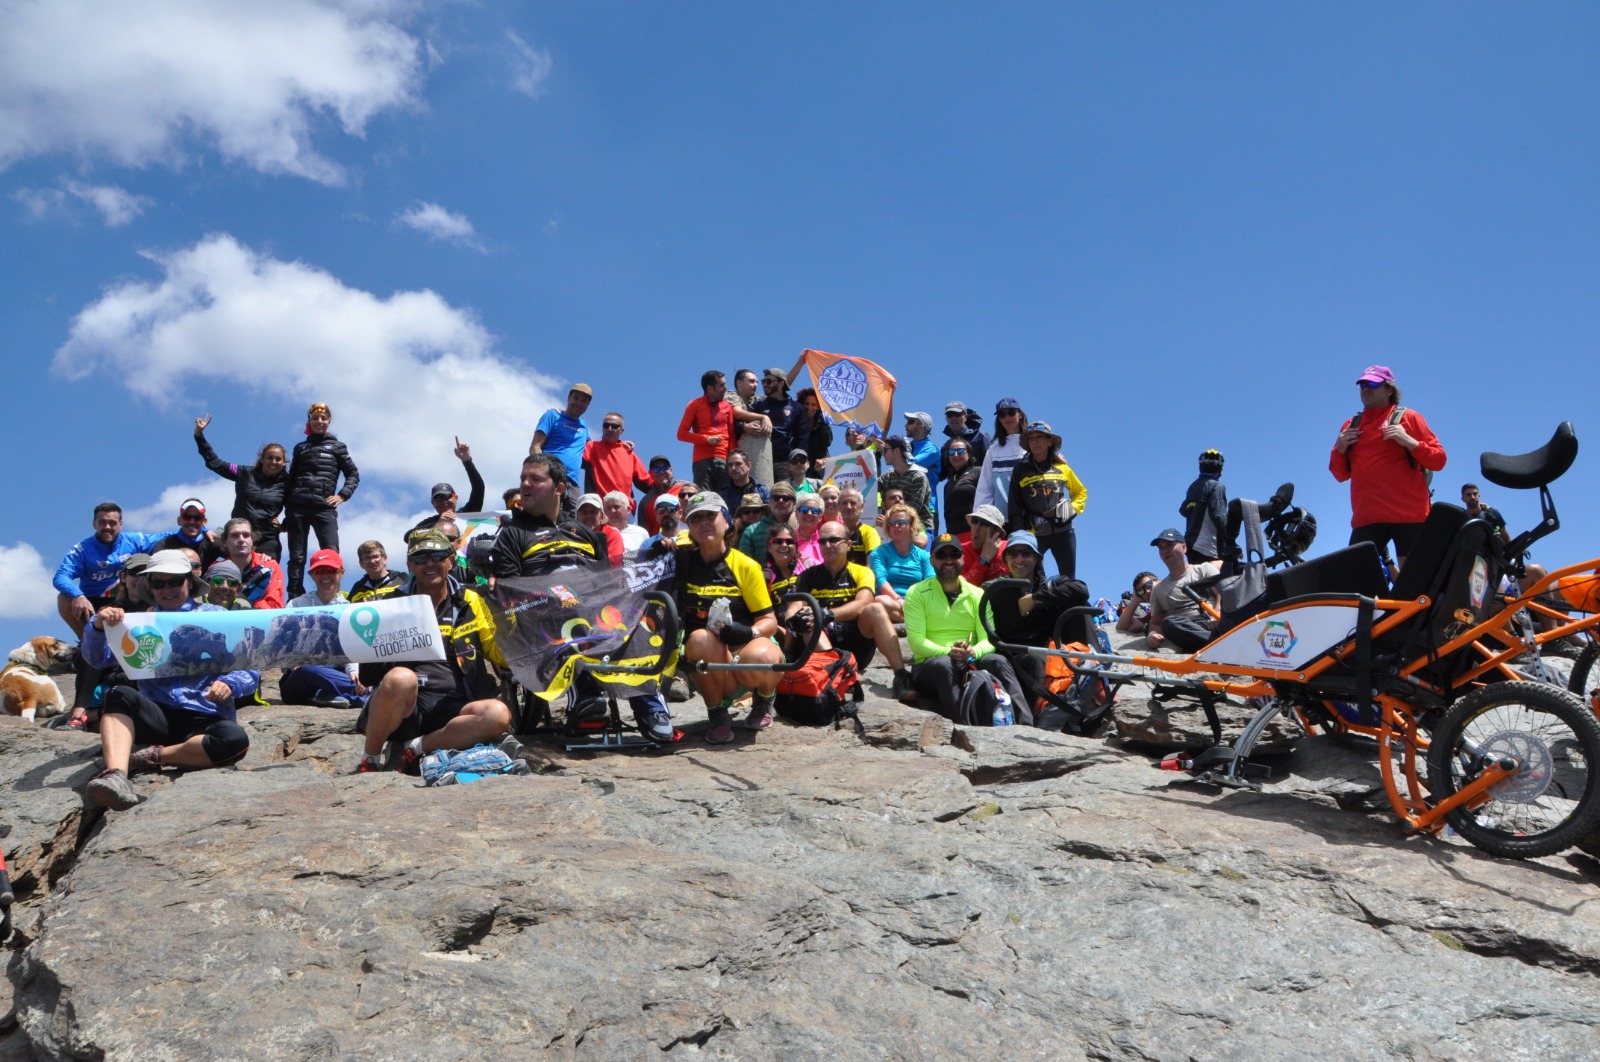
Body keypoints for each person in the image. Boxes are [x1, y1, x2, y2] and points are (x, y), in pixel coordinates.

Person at [489, 454, 675, 742]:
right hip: (544, 612)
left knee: (638, 607)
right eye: (523, 479)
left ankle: (649, 704)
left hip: (595, 604)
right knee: (570, 607)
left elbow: (606, 576)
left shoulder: (585, 533)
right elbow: (511, 589)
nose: (525, 484)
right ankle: (586, 697)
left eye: (535, 479)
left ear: (559, 488)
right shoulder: (513, 533)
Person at [79, 550, 258, 809]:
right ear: (150, 587)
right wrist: (97, 627)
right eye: (159, 583)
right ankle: (117, 775)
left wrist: (231, 684)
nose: (167, 589)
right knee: (119, 694)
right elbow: (97, 660)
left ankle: (152, 757)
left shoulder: (216, 616)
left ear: (190, 581)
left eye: (174, 581)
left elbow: (249, 665)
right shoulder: (136, 622)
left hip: (206, 716)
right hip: (157, 715)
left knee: (235, 741)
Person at [355, 531, 513, 773]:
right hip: (404, 708)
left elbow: (496, 650)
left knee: (498, 714)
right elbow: (368, 675)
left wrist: (513, 618)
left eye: (438, 556)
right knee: (400, 678)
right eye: (420, 558)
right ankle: (371, 757)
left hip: (455, 709)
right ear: (409, 565)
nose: (430, 564)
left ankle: (415, 747)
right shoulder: (388, 603)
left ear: (450, 560)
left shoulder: (471, 599)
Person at [675, 493, 785, 743]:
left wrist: (748, 633)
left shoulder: (745, 565)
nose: (703, 522)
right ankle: (717, 713)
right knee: (700, 638)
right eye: (696, 518)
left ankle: (764, 698)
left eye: (710, 515)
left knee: (763, 655)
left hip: (745, 654)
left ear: (726, 522)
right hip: (709, 661)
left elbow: (769, 620)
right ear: (689, 528)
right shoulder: (681, 563)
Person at [54, 502, 172, 728]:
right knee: (87, 638)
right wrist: (77, 594)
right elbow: (60, 577)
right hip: (104, 640)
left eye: (144, 573)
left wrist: (205, 531)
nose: (107, 526)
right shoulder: (83, 549)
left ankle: (93, 715)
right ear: (123, 577)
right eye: (102, 522)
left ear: (121, 524)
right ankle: (79, 711)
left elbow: (171, 534)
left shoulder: (158, 602)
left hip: (141, 666)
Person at [903, 533, 1029, 721]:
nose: (948, 560)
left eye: (954, 554)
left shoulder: (978, 594)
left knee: (998, 661)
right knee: (944, 665)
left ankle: (1025, 723)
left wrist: (973, 652)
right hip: (930, 667)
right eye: (941, 555)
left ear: (962, 558)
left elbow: (989, 640)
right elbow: (917, 642)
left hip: (971, 662)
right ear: (931, 560)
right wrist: (948, 652)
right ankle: (965, 726)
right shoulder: (917, 592)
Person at [1329, 365, 1446, 566]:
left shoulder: (1408, 418)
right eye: (1362, 384)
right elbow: (1340, 475)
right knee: (1355, 579)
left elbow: (1438, 460)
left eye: (1373, 384)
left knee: (1414, 584)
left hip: (1410, 516)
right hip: (1367, 518)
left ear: (1389, 390)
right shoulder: (1351, 425)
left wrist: (1409, 441)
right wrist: (1339, 449)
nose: (1366, 389)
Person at [795, 521, 913, 699]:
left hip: (856, 643)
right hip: (821, 643)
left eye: (834, 539)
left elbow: (863, 603)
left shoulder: (862, 572)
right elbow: (796, 607)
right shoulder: (807, 576)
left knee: (875, 609)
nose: (827, 545)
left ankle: (901, 677)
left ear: (848, 544)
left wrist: (827, 614)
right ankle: (839, 672)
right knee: (804, 620)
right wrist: (795, 617)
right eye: (823, 540)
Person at [992, 531, 1092, 713]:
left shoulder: (1049, 585)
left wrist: (1036, 598)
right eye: (1013, 554)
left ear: (1036, 558)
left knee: (1079, 606)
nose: (1019, 559)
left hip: (1051, 648)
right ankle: (1043, 714)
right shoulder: (996, 590)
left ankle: (1092, 670)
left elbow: (1081, 590)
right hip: (1016, 655)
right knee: (1036, 659)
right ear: (1006, 559)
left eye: (1026, 553)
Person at [284, 401, 359, 598]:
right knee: (296, 556)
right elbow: (291, 479)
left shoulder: (337, 446)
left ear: (329, 421)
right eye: (315, 418)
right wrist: (283, 517)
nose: (319, 421)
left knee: (331, 552)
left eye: (323, 418)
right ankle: (294, 596)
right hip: (297, 506)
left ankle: (334, 595)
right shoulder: (300, 447)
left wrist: (343, 495)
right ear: (309, 420)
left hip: (324, 507)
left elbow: (353, 473)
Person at [279, 550, 369, 709]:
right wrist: (293, 662)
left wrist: (355, 672)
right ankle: (365, 697)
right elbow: (284, 641)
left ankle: (329, 694)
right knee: (308, 670)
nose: (325, 576)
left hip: (336, 672)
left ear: (341, 573)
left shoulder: (348, 608)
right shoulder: (295, 605)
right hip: (301, 676)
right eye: (319, 571)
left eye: (331, 570)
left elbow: (352, 647)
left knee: (360, 678)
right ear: (312, 575)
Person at [193, 415, 286, 559]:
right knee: (211, 543)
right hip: (238, 535)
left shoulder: (288, 483)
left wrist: (285, 525)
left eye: (278, 459)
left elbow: (300, 505)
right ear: (262, 459)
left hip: (266, 540)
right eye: (270, 457)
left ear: (284, 462)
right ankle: (199, 580)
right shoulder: (244, 472)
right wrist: (199, 436)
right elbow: (215, 463)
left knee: (268, 571)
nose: (273, 461)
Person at [1006, 420, 1087, 578]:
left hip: (1064, 530)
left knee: (1068, 578)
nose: (1035, 441)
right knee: (1030, 576)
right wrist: (1019, 532)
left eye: (1040, 437)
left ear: (1049, 441)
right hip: (1034, 532)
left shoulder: (1062, 467)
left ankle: (1068, 602)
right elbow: (1014, 505)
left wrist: (1072, 509)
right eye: (1031, 438)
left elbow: (1080, 491)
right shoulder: (1020, 470)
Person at [1146, 528, 1222, 652]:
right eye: (1161, 547)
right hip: (1186, 627)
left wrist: (1217, 614)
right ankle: (1218, 644)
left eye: (1169, 545)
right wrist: (1152, 634)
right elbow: (1155, 622)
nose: (1165, 550)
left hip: (1213, 621)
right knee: (1169, 623)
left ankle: (1215, 643)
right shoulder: (1158, 589)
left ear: (1184, 548)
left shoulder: (1204, 569)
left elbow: (1224, 592)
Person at [529, 383, 594, 521]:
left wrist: (619, 443)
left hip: (573, 483)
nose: (579, 403)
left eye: (584, 401)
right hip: (552, 477)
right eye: (576, 398)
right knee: (547, 520)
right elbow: (535, 447)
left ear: (588, 405)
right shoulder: (552, 415)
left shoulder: (583, 425)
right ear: (568, 398)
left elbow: (595, 447)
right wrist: (539, 476)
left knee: (572, 525)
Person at [868, 503, 934, 623]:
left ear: (912, 525)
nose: (896, 526)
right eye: (892, 523)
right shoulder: (879, 553)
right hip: (893, 602)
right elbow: (880, 580)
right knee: (880, 602)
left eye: (902, 522)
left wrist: (914, 602)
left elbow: (930, 581)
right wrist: (898, 599)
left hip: (918, 601)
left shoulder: (924, 555)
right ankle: (917, 620)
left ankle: (912, 617)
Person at [677, 370, 737, 491]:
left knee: (725, 500)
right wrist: (706, 439)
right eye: (721, 385)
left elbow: (732, 434)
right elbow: (681, 434)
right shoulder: (694, 405)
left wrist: (733, 457)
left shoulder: (727, 406)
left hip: (725, 459)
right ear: (710, 388)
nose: (725, 388)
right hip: (702, 460)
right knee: (704, 499)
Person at [411, 437, 485, 535]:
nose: (443, 501)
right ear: (433, 503)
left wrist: (467, 461)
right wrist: (440, 523)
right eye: (438, 498)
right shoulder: (428, 523)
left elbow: (479, 488)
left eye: (446, 496)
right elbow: (409, 537)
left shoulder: (468, 514)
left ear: (455, 497)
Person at [581, 413, 652, 505]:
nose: (609, 429)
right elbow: (568, 451)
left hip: (625, 509)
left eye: (614, 426)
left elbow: (647, 482)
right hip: (599, 509)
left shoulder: (628, 453)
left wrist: (669, 487)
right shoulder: (591, 447)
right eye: (606, 425)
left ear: (621, 430)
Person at [974, 397, 1028, 513]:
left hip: (1031, 518)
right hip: (1002, 520)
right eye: (1002, 415)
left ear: (1020, 414)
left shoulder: (1032, 447)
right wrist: (979, 516)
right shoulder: (993, 451)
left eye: (1011, 413)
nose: (1007, 417)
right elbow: (985, 488)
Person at [218, 517, 285, 609]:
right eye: (234, 535)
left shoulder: (270, 566)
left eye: (246, 535)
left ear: (252, 540)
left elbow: (274, 605)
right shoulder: (216, 569)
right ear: (224, 541)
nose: (241, 539)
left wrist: (242, 604)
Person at [727, 368, 775, 487]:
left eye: (757, 382)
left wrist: (800, 363)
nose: (756, 385)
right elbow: (737, 412)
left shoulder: (754, 401)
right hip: (729, 454)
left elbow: (779, 386)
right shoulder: (730, 395)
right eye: (752, 381)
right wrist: (764, 417)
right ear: (739, 383)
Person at [1180, 449, 1229, 563]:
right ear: (1220, 470)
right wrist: (1230, 541)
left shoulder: (1193, 487)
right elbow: (1219, 516)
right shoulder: (1217, 486)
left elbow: (1183, 510)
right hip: (1208, 546)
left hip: (1191, 545)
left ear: (1200, 468)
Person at [878, 436, 933, 530]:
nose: (883, 454)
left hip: (920, 529)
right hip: (894, 528)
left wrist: (888, 521)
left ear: (896, 451)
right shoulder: (887, 476)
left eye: (885, 450)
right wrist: (866, 450)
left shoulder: (918, 476)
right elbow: (868, 487)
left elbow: (913, 509)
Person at [753, 366, 803, 464]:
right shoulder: (758, 405)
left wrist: (798, 459)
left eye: (769, 381)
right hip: (762, 460)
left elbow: (803, 436)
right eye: (763, 381)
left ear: (781, 384)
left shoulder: (796, 408)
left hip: (786, 462)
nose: (765, 384)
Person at [739, 481, 797, 562]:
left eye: (786, 498)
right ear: (770, 501)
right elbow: (745, 564)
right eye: (776, 497)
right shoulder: (751, 531)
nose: (780, 501)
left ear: (794, 502)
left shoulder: (801, 527)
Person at [150, 498, 219, 565]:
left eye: (197, 518)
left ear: (204, 521)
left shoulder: (212, 542)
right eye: (187, 517)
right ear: (179, 520)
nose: (192, 521)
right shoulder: (164, 544)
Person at [639, 455, 696, 535]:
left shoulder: (687, 488)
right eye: (656, 469)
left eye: (665, 468)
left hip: (692, 541)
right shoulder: (645, 502)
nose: (661, 472)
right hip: (660, 545)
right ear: (650, 473)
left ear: (671, 470)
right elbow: (644, 532)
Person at [902, 411, 941, 522]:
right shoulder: (908, 447)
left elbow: (907, 466)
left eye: (910, 422)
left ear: (921, 427)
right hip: (908, 508)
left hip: (927, 510)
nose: (906, 425)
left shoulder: (931, 450)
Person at [941, 434, 982, 535]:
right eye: (951, 452)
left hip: (975, 533)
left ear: (969, 454)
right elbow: (947, 514)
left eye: (960, 451)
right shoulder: (948, 484)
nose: (955, 455)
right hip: (954, 537)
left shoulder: (978, 472)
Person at [961, 505, 1010, 588]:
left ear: (997, 531)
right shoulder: (959, 552)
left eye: (984, 523)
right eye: (975, 521)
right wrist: (984, 559)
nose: (976, 529)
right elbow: (960, 588)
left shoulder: (1010, 548)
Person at [939, 402, 989, 483]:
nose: (953, 418)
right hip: (955, 490)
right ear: (946, 419)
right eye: (950, 415)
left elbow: (990, 465)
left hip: (979, 488)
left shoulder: (981, 436)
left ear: (965, 416)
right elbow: (941, 474)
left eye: (957, 414)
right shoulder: (946, 447)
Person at [574, 493, 625, 567]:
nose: (588, 516)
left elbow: (614, 567)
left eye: (593, 512)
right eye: (584, 512)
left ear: (601, 516)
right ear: (577, 517)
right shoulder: (571, 534)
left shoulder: (611, 533)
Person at [838, 486, 881, 567]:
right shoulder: (835, 532)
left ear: (861, 507)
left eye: (853, 503)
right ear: (839, 507)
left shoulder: (869, 532)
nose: (848, 507)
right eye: (844, 503)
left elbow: (873, 565)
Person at [717, 449, 770, 515]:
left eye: (738, 464)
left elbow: (769, 515)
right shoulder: (722, 495)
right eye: (730, 465)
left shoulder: (762, 490)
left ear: (748, 466)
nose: (733, 468)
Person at [792, 388, 833, 471]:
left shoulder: (823, 422)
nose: (809, 407)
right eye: (806, 404)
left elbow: (827, 442)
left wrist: (823, 422)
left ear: (818, 407)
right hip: (799, 467)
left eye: (813, 404)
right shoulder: (795, 423)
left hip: (819, 467)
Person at [1461, 483, 1512, 547]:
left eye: (1475, 494)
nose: (1473, 497)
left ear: (1479, 496)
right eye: (1469, 495)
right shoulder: (1462, 519)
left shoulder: (1492, 514)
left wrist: (1516, 553)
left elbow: (1505, 537)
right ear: (1463, 499)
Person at [602, 490, 650, 558]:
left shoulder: (641, 533)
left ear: (628, 510)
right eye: (608, 508)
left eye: (616, 507)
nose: (612, 511)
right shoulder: (600, 534)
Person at [763, 525, 801, 599]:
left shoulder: (810, 565)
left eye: (789, 541)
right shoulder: (765, 577)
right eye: (778, 541)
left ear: (796, 546)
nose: (784, 545)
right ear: (769, 547)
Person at [1116, 571, 1159, 635]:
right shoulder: (1153, 614)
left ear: (1159, 581)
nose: (1147, 591)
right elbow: (1121, 629)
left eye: (1148, 585)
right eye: (1141, 591)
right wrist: (1135, 600)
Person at [793, 492, 826, 571]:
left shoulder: (827, 540)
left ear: (820, 517)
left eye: (815, 511)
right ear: (797, 514)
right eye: (804, 510)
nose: (809, 513)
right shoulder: (789, 541)